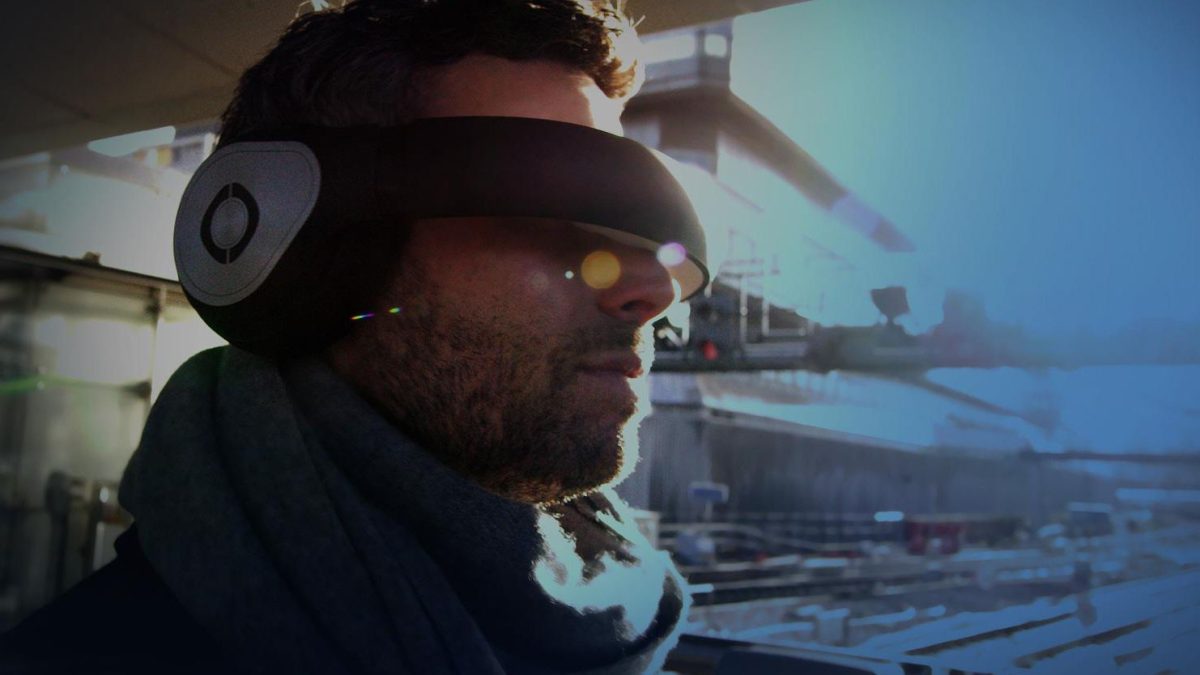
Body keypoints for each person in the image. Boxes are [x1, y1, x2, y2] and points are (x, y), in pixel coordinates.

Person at [0, 1, 711, 673]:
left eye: (634, 230)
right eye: (549, 207)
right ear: (316, 254)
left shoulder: (621, 619)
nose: (652, 288)